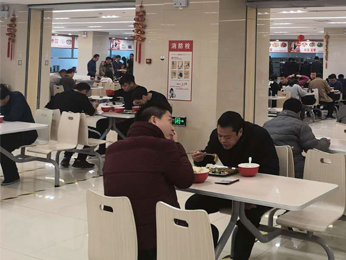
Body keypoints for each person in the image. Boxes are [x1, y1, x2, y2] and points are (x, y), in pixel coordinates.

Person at [104, 106, 198, 260]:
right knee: (209, 231)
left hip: (120, 236)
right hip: (156, 239)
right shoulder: (164, 147)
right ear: (154, 120)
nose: (172, 127)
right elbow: (186, 180)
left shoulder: (113, 150)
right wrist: (177, 145)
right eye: (169, 120)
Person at [187, 111, 278, 260]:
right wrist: (199, 159)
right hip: (231, 189)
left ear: (240, 132)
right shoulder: (216, 136)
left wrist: (251, 196)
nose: (222, 141)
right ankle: (207, 250)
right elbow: (209, 158)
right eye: (220, 136)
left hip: (258, 193)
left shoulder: (259, 136)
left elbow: (272, 171)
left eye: (227, 137)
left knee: (248, 220)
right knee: (193, 204)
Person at [264, 98, 330, 178]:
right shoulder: (300, 126)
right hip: (294, 169)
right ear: (299, 112)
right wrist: (325, 141)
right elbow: (314, 148)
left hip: (270, 167)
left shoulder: (267, 124)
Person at [46, 82, 99, 168]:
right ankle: (81, 159)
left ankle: (66, 158)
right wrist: (94, 106)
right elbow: (91, 112)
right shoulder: (82, 97)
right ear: (85, 91)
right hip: (74, 130)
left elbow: (47, 108)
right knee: (97, 134)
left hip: (58, 130)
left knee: (71, 135)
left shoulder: (59, 95)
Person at [0, 85, 38, 186]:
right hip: (10, 132)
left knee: (2, 146)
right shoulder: (5, 101)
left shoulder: (17, 97)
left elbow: (14, 116)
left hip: (27, 133)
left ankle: (12, 176)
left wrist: (3, 113)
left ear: (7, 97)